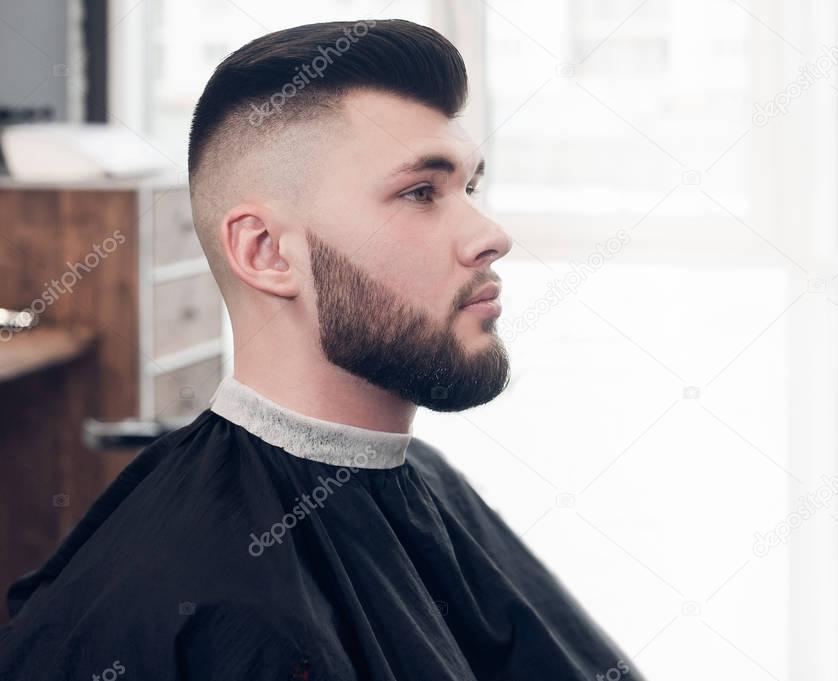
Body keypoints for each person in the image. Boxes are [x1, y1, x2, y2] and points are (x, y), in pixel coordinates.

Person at [0, 18, 645, 681]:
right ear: (267, 252)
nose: (489, 235)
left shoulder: (421, 480)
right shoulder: (191, 596)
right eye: (420, 192)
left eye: (468, 188)